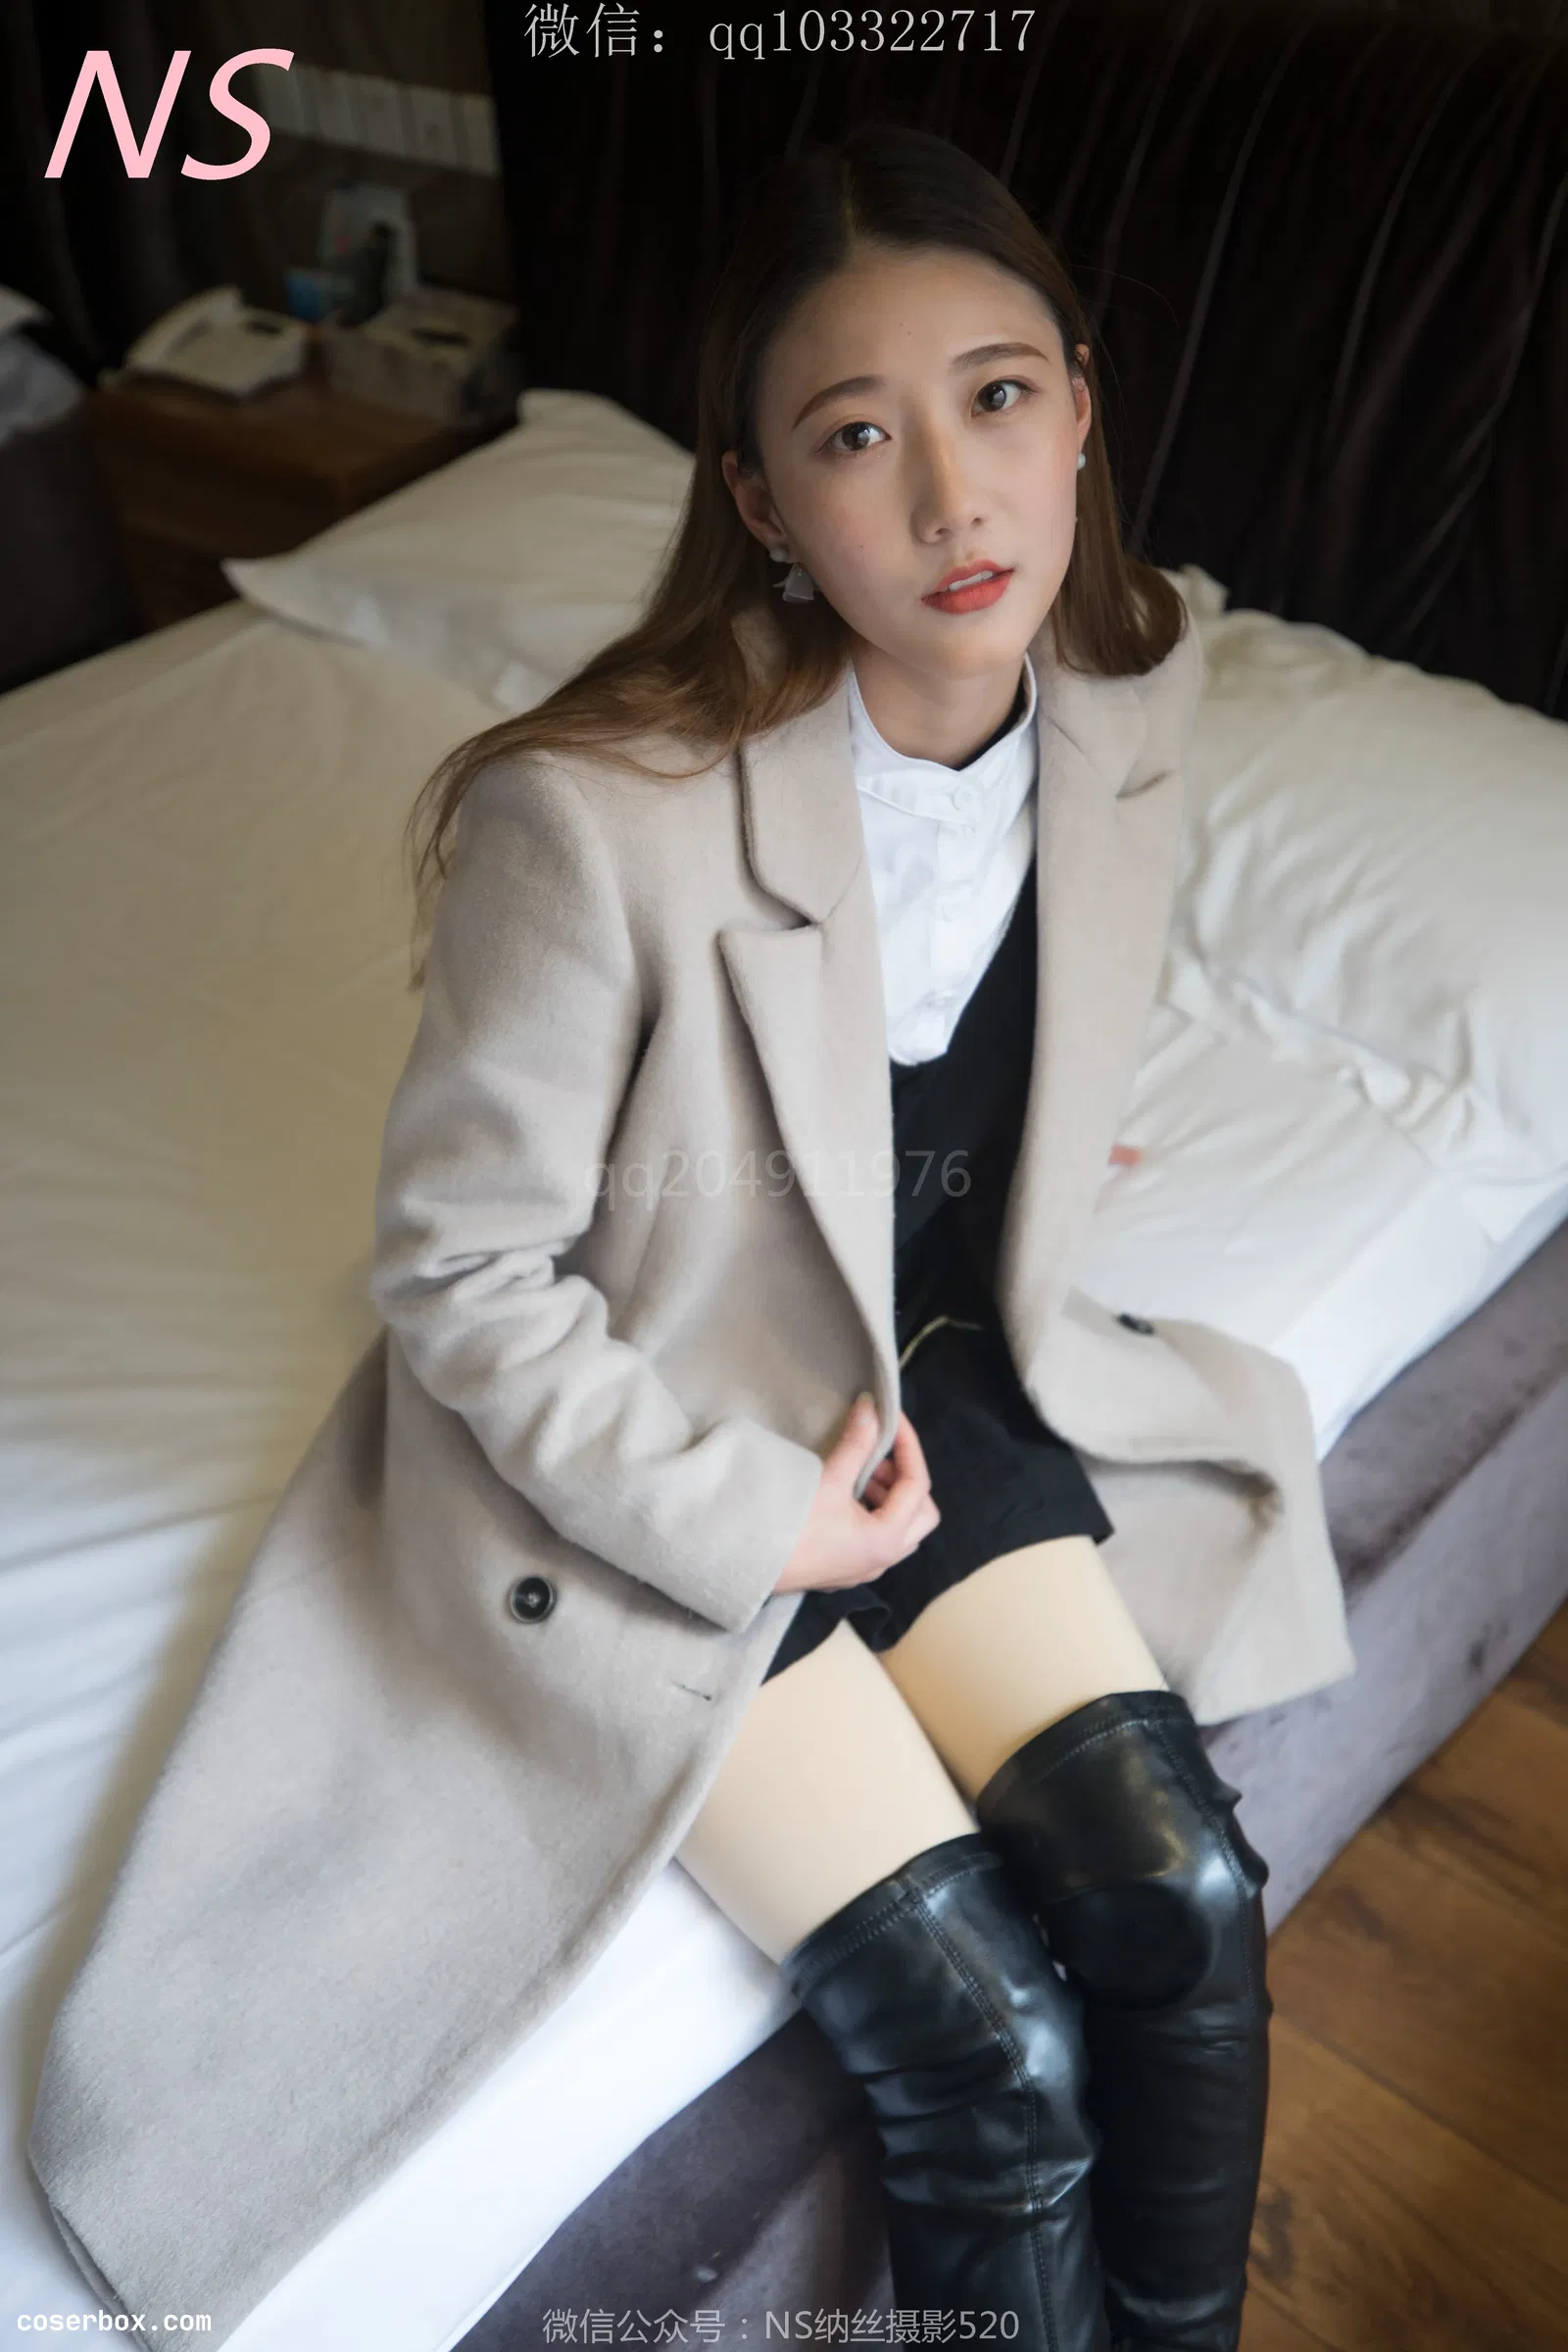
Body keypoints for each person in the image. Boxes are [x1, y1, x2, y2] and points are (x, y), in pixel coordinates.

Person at [402, 124, 1269, 2351]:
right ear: (765, 502)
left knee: (1179, 1897)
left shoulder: (1130, 686)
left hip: (932, 1368)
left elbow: (1034, 981)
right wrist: (747, 1514)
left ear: (1080, 407)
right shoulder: (590, 814)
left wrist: (1031, 1153)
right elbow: (457, 1271)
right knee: (994, 2055)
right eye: (857, 438)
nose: (954, 500)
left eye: (997, 399)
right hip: (661, 1433)